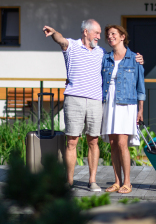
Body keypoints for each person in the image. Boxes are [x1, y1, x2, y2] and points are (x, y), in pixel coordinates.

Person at [43, 19, 143, 192]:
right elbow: (61, 40)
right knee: (74, 141)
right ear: (85, 32)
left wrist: (138, 58)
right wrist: (54, 34)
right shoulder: (77, 47)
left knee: (96, 141)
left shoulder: (104, 53)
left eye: (101, 34)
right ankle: (70, 182)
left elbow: (133, 76)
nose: (100, 37)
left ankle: (95, 181)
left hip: (100, 101)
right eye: (97, 33)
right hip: (80, 99)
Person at [100, 25, 145, 194]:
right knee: (112, 144)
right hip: (109, 103)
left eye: (113, 34)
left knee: (122, 143)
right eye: (108, 35)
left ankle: (127, 182)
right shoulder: (106, 58)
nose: (110, 36)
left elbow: (140, 87)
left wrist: (140, 110)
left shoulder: (135, 58)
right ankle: (117, 182)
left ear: (122, 36)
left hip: (126, 104)